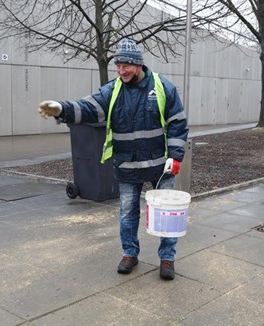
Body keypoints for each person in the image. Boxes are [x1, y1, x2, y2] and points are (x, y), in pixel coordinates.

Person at [37, 38, 189, 280]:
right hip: (127, 165)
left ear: (138, 65)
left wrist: (176, 156)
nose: (121, 70)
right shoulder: (112, 90)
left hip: (160, 167)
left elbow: (177, 124)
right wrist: (62, 109)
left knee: (167, 214)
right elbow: (88, 107)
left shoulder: (162, 87)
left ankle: (167, 258)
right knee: (127, 213)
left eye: (125, 65)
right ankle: (130, 253)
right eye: (118, 65)